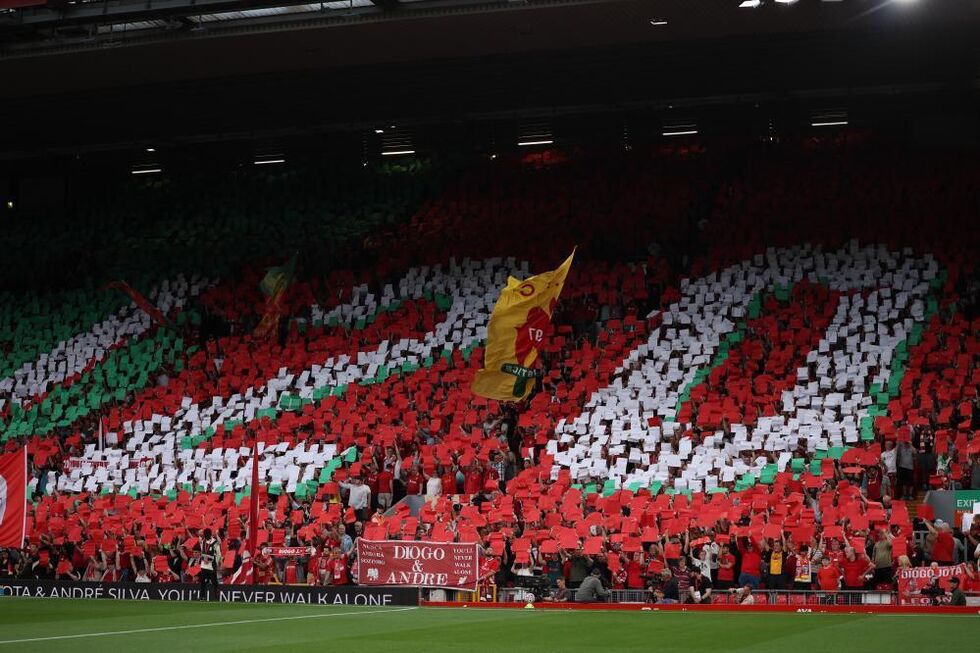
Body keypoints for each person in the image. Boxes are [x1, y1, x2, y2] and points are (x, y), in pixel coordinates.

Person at [198, 528, 221, 600]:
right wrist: (203, 558)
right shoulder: (203, 541)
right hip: (203, 565)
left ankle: (216, 597)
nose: (206, 537)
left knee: (214, 581)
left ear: (210, 535)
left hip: (211, 566)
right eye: (205, 535)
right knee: (203, 581)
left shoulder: (215, 542)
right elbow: (202, 552)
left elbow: (219, 554)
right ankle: (202, 596)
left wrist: (215, 562)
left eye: (207, 535)